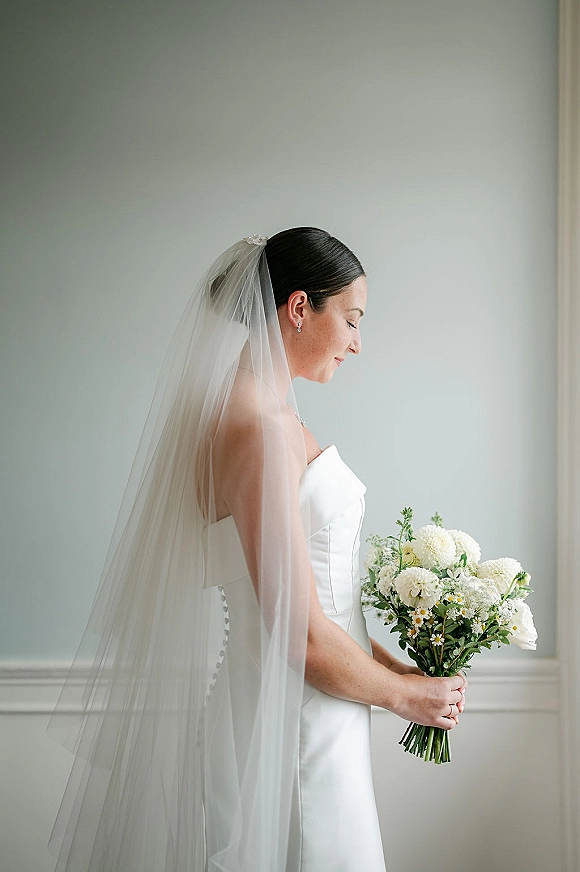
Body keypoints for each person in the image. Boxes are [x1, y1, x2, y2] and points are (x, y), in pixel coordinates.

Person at [46, 228, 466, 872]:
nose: (358, 342)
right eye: (351, 320)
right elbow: (296, 632)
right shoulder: (262, 432)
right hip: (292, 720)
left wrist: (399, 673)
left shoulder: (256, 415)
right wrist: (408, 699)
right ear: (300, 308)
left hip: (301, 703)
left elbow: (319, 604)